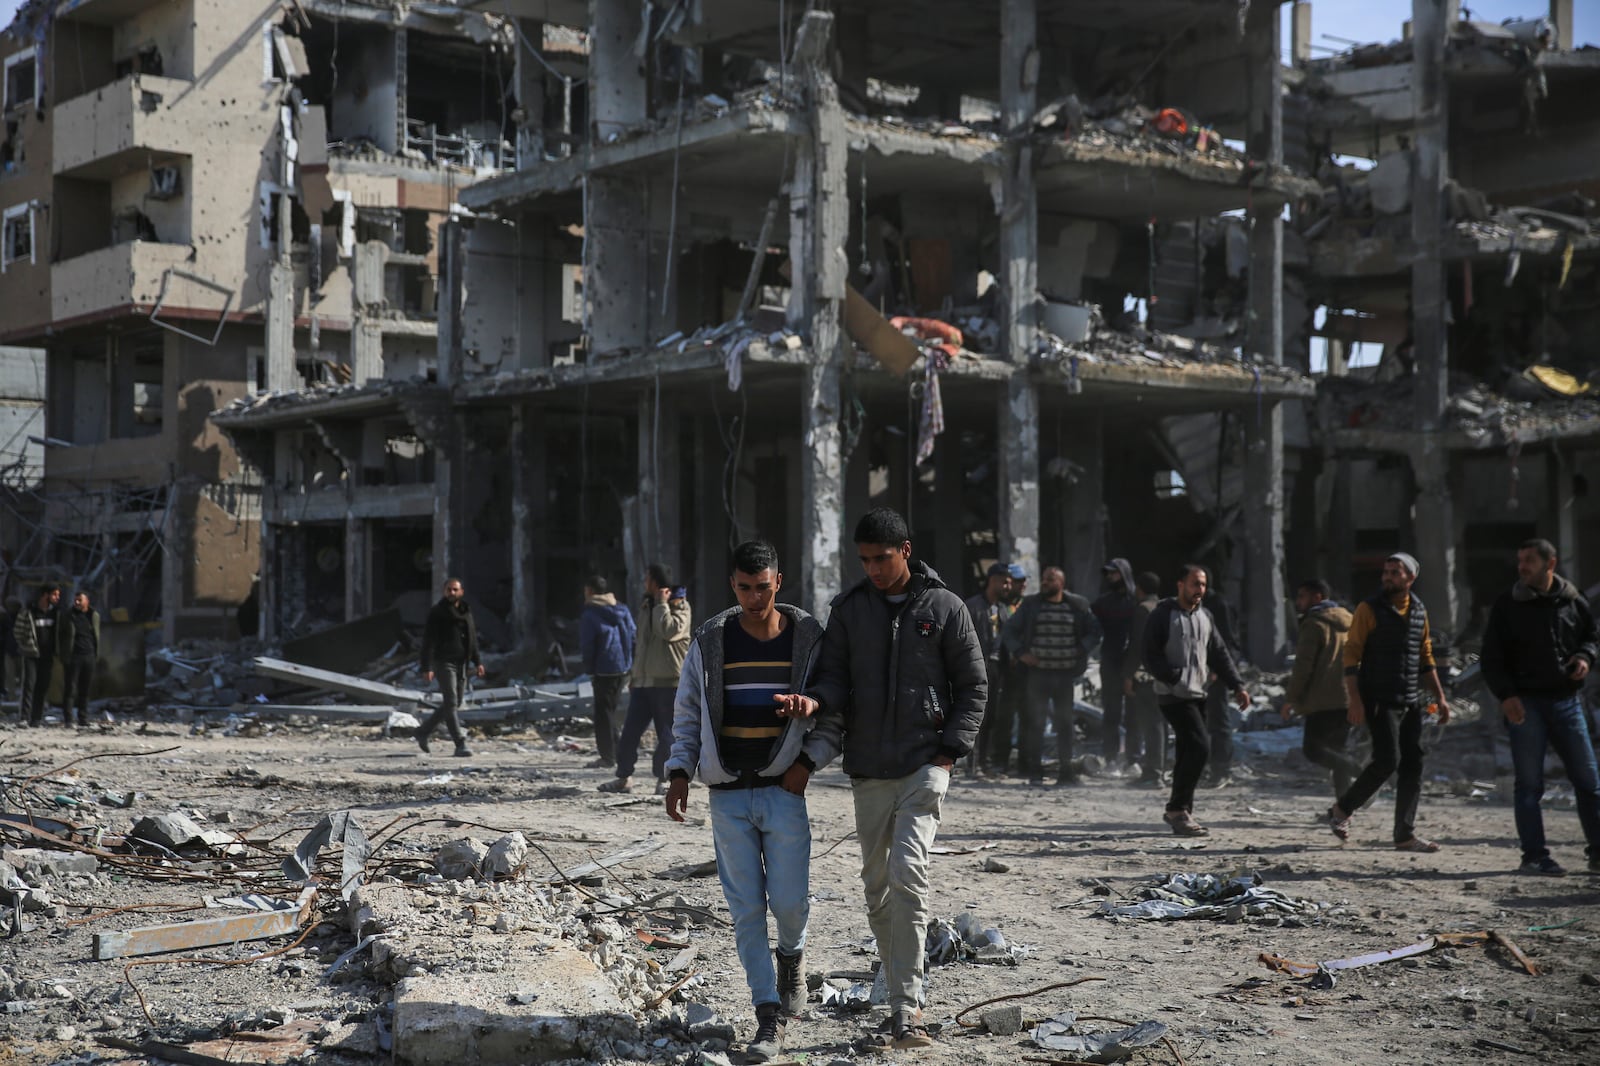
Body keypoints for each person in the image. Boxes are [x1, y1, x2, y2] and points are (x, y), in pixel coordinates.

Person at [804, 507, 986, 1051]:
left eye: (882, 558)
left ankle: (908, 1008)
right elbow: (833, 677)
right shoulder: (850, 611)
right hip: (868, 769)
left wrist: (951, 751)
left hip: (925, 764)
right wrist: (814, 702)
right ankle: (903, 984)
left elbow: (973, 685)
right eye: (864, 560)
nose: (874, 569)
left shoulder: (945, 607)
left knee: (909, 874)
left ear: (905, 551)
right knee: (877, 887)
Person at [663, 541, 831, 1062]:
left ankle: (792, 957)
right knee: (745, 910)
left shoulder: (808, 638)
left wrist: (808, 760)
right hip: (728, 794)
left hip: (785, 789)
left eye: (763, 586)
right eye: (744, 587)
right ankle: (767, 1014)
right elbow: (688, 709)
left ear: (778, 582)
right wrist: (678, 771)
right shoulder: (712, 638)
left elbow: (834, 710)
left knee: (789, 902)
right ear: (732, 584)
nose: (754, 597)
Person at [1479, 539, 1600, 876]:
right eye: (1520, 561)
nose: (1522, 567)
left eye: (1530, 561)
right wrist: (1506, 696)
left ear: (1550, 564)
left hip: (1566, 702)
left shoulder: (1572, 600)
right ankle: (1534, 856)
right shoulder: (1508, 605)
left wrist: (1585, 658)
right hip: (1525, 705)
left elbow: (1591, 636)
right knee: (1530, 786)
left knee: (1589, 782)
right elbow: (1491, 659)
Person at [1326, 552, 1451, 852]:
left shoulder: (1419, 610)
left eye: (1395, 573)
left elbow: (1425, 657)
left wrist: (1440, 699)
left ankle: (1404, 834)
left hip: (1409, 700)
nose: (1387, 577)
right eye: (1386, 572)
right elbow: (1351, 656)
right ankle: (1342, 810)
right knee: (1387, 760)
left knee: (1413, 763)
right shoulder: (1369, 609)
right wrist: (1354, 700)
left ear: (1410, 578)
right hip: (1378, 698)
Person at [1140, 564, 1249, 836]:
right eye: (1194, 584)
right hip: (1172, 694)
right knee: (1200, 747)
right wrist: (1172, 676)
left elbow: (1220, 654)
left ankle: (1179, 811)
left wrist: (1237, 685)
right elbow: (1149, 653)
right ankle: (1178, 809)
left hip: (1198, 693)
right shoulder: (1163, 615)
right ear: (1180, 585)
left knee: (1188, 751)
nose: (1199, 589)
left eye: (1202, 584)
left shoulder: (1205, 616)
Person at [1002, 566, 1101, 786]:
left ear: (1061, 583)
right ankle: (1035, 771)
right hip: (1038, 675)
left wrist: (1081, 649)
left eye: (1050, 580)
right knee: (1036, 723)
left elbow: (1095, 632)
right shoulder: (1031, 605)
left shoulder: (1077, 605)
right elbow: (1009, 631)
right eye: (1044, 579)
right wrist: (1021, 653)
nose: (1044, 583)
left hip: (1065, 676)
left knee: (1065, 724)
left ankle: (1066, 772)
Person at [603, 564, 693, 794]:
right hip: (643, 682)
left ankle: (663, 780)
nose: (644, 582)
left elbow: (668, 630)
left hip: (669, 682)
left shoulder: (679, 605)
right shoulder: (646, 604)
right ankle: (624, 778)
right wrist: (635, 675)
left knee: (667, 736)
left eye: (647, 578)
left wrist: (662, 604)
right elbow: (641, 645)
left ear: (656, 581)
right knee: (629, 733)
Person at [1281, 579, 1360, 799]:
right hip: (1348, 697)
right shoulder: (1351, 621)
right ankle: (1344, 808)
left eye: (1302, 597)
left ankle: (1361, 773)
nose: (1298, 602)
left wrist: (1291, 699)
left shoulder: (1314, 624)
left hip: (1321, 699)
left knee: (1313, 750)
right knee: (1338, 752)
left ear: (1317, 597)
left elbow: (1303, 666)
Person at [417, 577, 485, 757]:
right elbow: (428, 642)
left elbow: (472, 639)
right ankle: (460, 743)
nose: (452, 593)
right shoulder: (437, 613)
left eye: (455, 590)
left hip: (462, 663)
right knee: (451, 701)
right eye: (449, 590)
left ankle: (423, 731)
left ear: (461, 592)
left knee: (454, 702)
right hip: (443, 662)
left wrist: (477, 662)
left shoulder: (466, 612)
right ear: (444, 591)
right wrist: (427, 667)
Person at [579, 574, 636, 769]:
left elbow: (588, 645)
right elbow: (633, 635)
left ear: (590, 591)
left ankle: (608, 756)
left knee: (603, 714)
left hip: (603, 670)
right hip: (622, 668)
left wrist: (589, 669)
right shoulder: (623, 609)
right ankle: (619, 752)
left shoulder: (590, 614)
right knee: (609, 712)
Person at [964, 563, 1014, 775]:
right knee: (975, 716)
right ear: (992, 580)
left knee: (992, 716)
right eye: (1004, 581)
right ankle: (971, 764)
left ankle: (984, 762)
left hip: (996, 670)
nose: (1008, 586)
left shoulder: (1002, 609)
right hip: (975, 669)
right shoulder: (973, 606)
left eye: (1009, 582)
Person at [1092, 558, 1139, 768]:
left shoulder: (1137, 601)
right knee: (1111, 713)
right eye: (1108, 574)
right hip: (1110, 662)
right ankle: (1110, 757)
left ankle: (1133, 758)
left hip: (1133, 664)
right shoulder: (1103, 603)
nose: (1111, 577)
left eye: (1114, 573)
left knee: (1134, 715)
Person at [1201, 570, 1244, 788]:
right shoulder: (1190, 606)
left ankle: (1221, 770)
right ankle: (1204, 768)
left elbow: (1229, 643)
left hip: (1214, 675)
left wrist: (1217, 670)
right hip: (1195, 675)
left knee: (1218, 721)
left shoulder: (1218, 605)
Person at [1123, 571, 1166, 787]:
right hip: (1164, 674)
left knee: (1151, 725)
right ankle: (1158, 770)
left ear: (1139, 589)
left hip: (1146, 676)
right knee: (1159, 725)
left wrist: (1129, 675)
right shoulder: (1167, 607)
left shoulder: (1142, 610)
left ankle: (1153, 773)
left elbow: (1137, 646)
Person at [13, 586, 61, 727]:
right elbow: (17, 632)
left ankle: (36, 718)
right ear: (45, 595)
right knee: (29, 685)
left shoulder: (55, 613)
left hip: (48, 655)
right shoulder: (28, 612)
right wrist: (26, 645)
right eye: (55, 594)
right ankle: (24, 717)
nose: (57, 598)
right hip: (31, 654)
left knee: (43, 686)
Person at [58, 591, 101, 729]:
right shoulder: (68, 616)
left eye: (79, 600)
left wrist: (95, 654)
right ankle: (68, 719)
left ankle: (83, 718)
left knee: (85, 689)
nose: (76, 603)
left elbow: (96, 635)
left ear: (87, 601)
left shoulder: (93, 615)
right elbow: (60, 635)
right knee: (70, 688)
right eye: (75, 600)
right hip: (73, 656)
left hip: (89, 656)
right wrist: (63, 654)